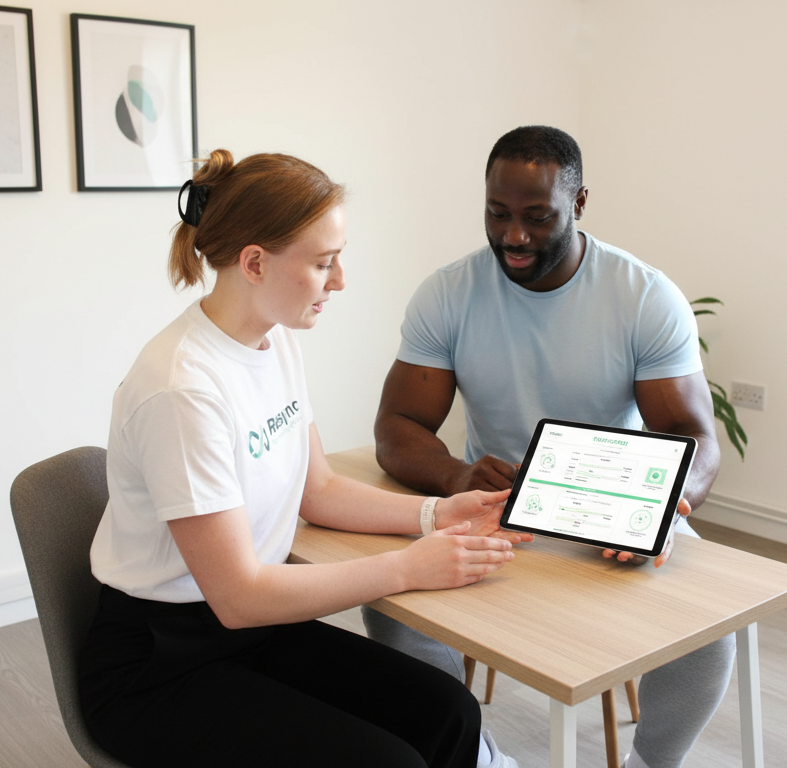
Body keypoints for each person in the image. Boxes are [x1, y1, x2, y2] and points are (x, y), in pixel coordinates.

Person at [79, 150, 531, 768]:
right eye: (323, 263)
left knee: (449, 709)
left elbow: (317, 490)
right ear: (256, 263)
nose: (340, 280)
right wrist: (408, 568)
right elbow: (239, 595)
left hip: (250, 635)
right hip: (160, 665)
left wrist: (437, 515)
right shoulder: (182, 388)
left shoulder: (275, 341)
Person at [367, 126, 734, 768]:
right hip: (487, 509)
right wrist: (456, 477)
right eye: (498, 214)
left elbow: (695, 436)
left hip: (610, 509)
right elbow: (396, 425)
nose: (514, 236)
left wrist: (657, 505)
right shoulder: (448, 293)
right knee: (390, 604)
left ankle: (655, 763)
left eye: (538, 217)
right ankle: (471, 755)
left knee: (711, 631)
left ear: (580, 203)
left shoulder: (643, 296)